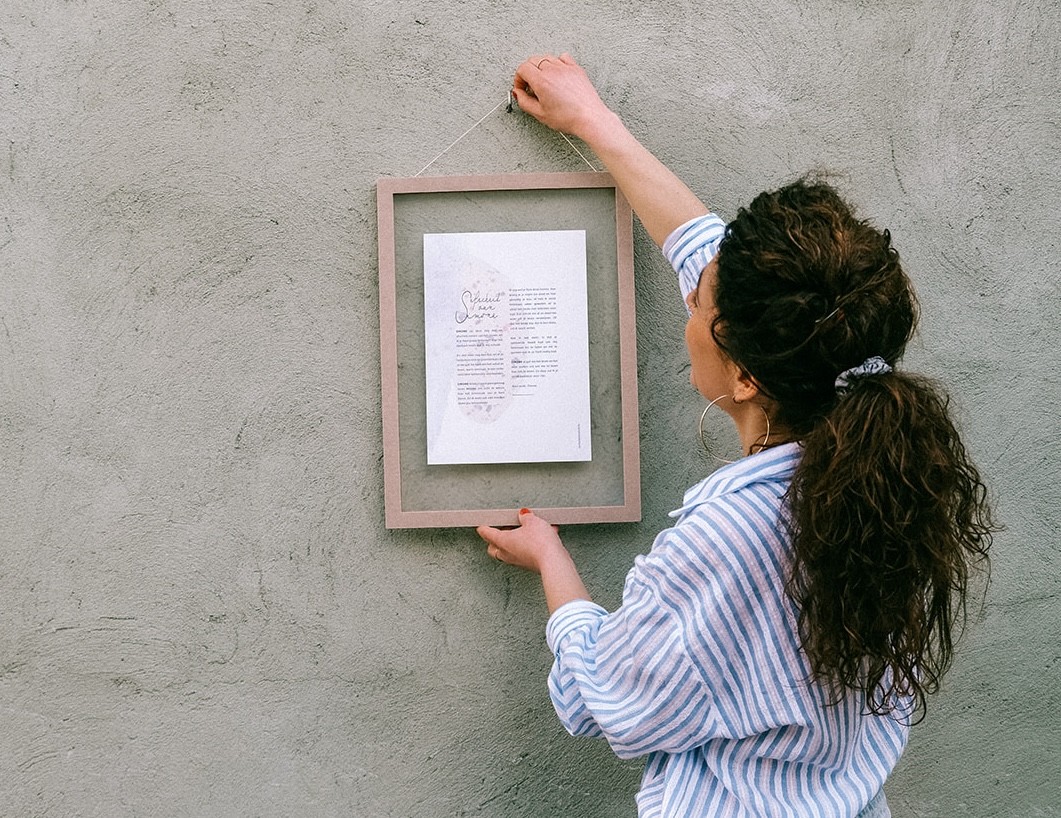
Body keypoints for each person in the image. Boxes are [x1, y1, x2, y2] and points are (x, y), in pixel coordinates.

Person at [477, 54, 994, 817]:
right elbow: (703, 252)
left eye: (697, 308)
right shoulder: (886, 471)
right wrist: (593, 122)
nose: (688, 301)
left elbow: (603, 698)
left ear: (745, 374)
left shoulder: (730, 537)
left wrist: (554, 565)